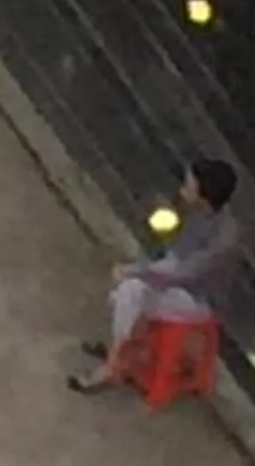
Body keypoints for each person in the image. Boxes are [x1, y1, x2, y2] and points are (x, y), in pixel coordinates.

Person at [71, 159, 240, 393]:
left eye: (189, 185)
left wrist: (135, 271)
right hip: (177, 284)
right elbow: (172, 258)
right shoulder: (199, 214)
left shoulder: (223, 238)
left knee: (130, 292)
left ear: (204, 195)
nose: (183, 189)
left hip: (198, 300)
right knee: (127, 294)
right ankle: (122, 352)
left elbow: (181, 271)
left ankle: (113, 365)